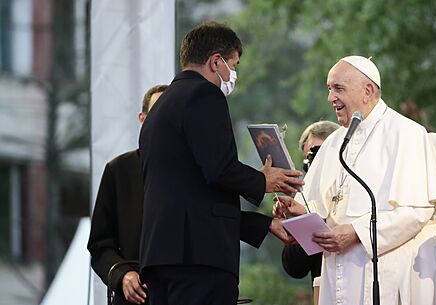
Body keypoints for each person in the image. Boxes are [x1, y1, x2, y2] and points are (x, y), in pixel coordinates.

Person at [138, 21, 304, 305]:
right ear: (216, 61)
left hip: (161, 256)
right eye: (233, 64)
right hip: (199, 259)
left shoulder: (160, 109)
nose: (234, 74)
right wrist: (265, 180)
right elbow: (219, 169)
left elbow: (194, 192)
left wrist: (264, 225)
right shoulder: (204, 95)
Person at [275, 55, 436, 305]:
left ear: (368, 90)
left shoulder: (406, 134)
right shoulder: (333, 143)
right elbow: (322, 205)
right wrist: (299, 211)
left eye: (338, 88)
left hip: (394, 268)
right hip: (343, 270)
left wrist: (355, 233)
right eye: (329, 89)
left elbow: (415, 212)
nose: (330, 98)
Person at [87, 84, 168, 305]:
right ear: (142, 119)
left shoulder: (195, 172)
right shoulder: (119, 170)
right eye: (157, 114)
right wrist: (123, 275)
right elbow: (100, 245)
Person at [279, 121, 339, 283]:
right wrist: (298, 223)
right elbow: (295, 268)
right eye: (309, 160)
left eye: (319, 156)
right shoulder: (303, 198)